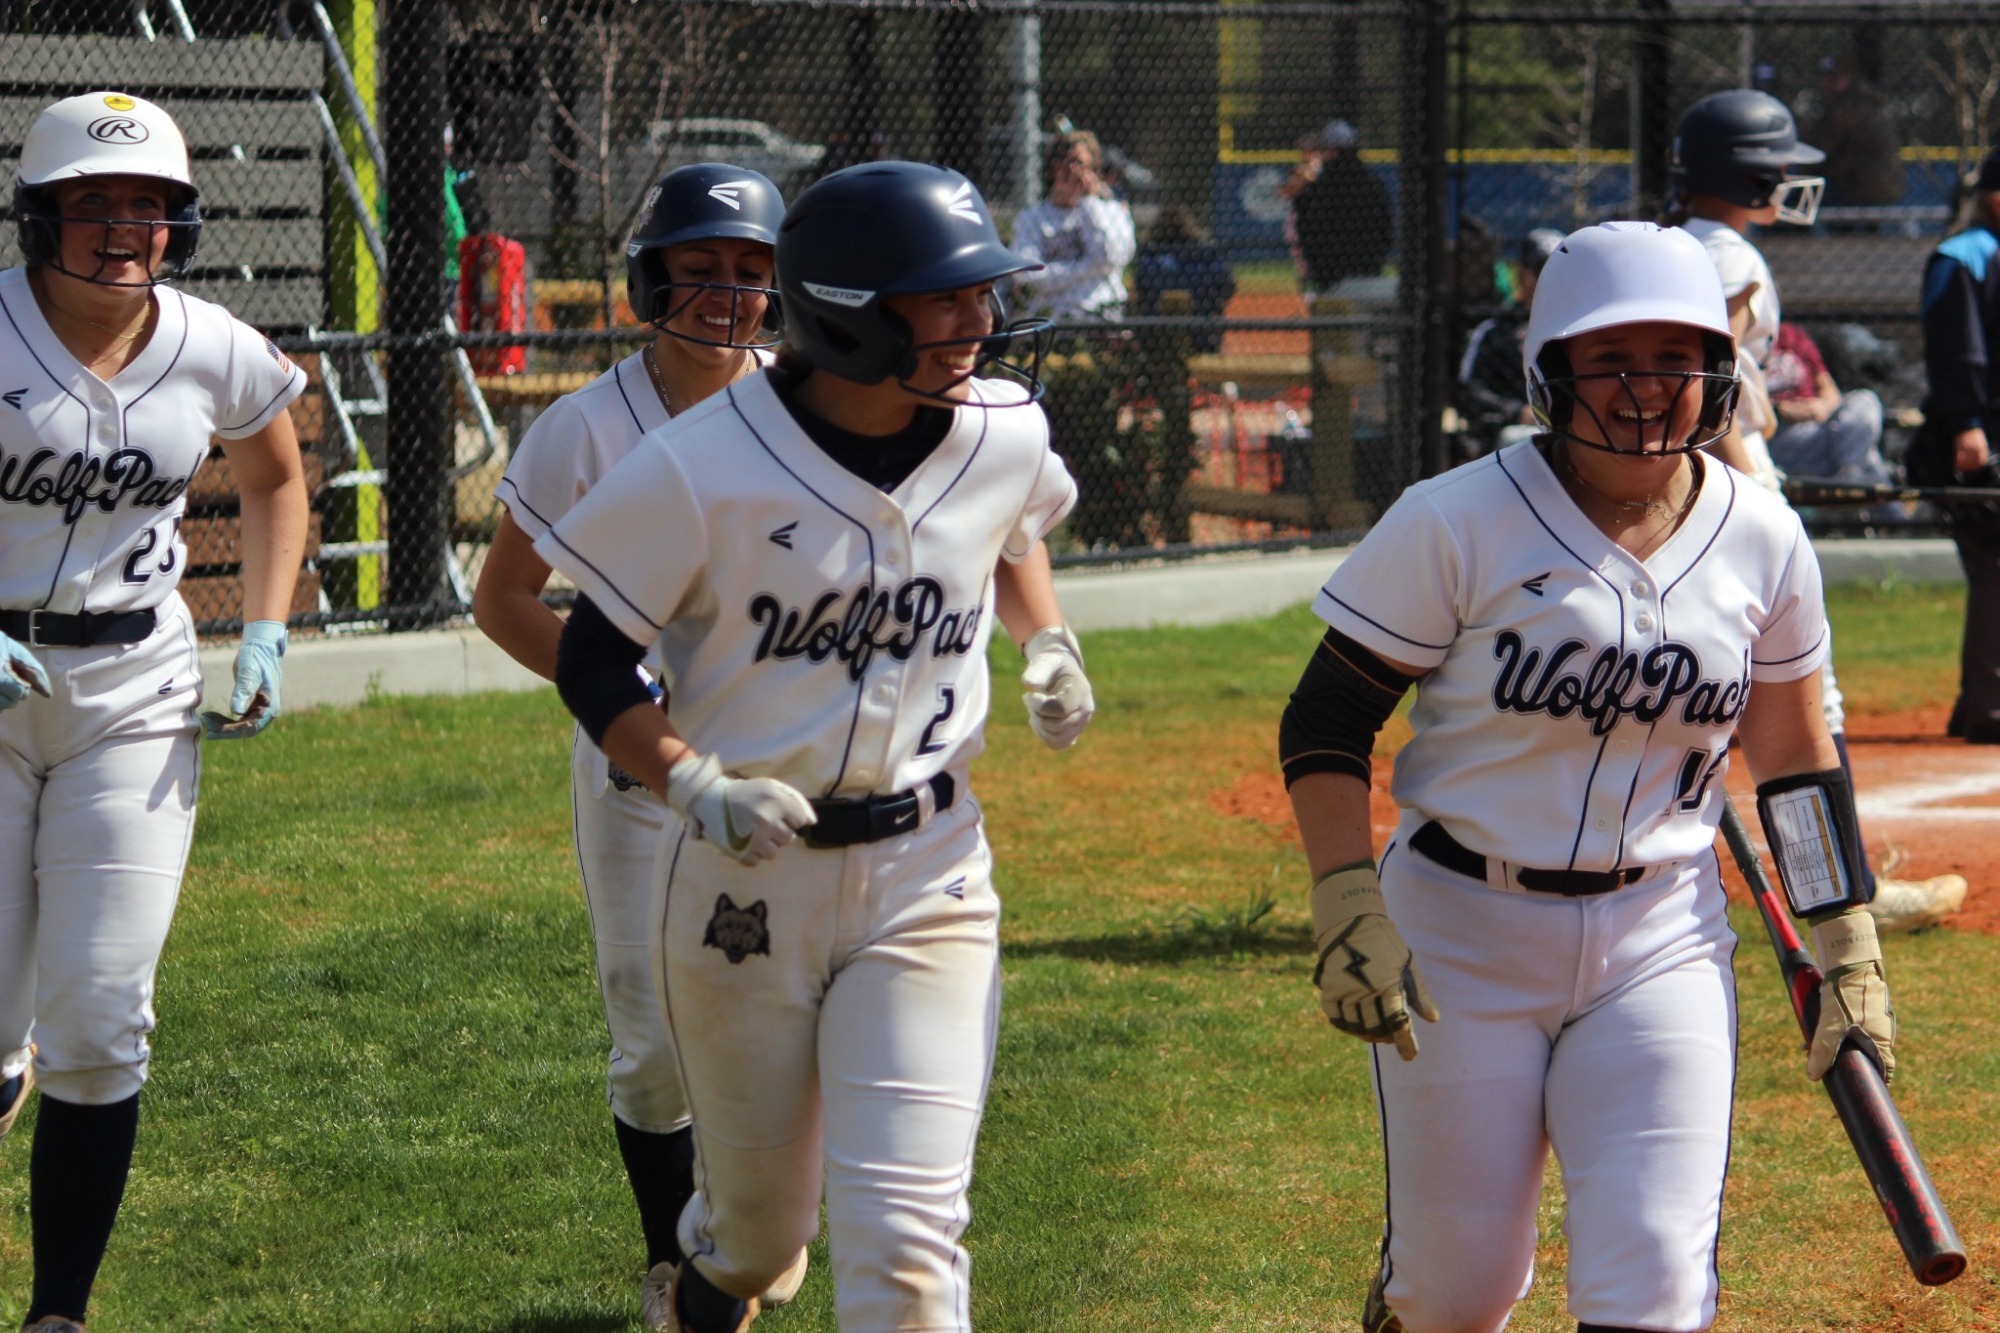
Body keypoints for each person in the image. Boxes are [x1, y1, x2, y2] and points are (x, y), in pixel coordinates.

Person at [1282, 221, 1898, 1333]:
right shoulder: (1455, 519)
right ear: (1550, 370)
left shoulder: (1761, 537)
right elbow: (1326, 720)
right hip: (1460, 934)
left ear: (1715, 373)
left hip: (1659, 935)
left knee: (1653, 1283)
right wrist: (1343, 897)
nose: (1643, 387)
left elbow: (1794, 758)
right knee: (1459, 1291)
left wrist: (1842, 930)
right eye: (1610, 358)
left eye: (1672, 359)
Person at [536, 161, 1090, 1333]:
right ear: (845, 314)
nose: (979, 319)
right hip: (745, 880)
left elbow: (1012, 524)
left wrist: (1049, 643)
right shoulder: (699, 463)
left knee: (908, 1246)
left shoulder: (1000, 428)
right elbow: (590, 658)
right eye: (943, 298)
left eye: (982, 291)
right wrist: (690, 780)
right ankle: (707, 1282)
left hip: (931, 873)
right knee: (758, 1239)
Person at [472, 163, 814, 1331]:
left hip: (781, 766)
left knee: (777, 1007)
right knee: (652, 1035)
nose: (726, 293)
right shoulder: (586, 425)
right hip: (635, 777)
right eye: (699, 268)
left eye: (750, 272)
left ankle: (749, 1223)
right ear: (650, 279)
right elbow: (503, 596)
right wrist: (620, 699)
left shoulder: (807, 405)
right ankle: (674, 1260)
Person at [0, 92, 310, 1332]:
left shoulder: (209, 341)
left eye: (149, 204)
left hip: (136, 690)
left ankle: (58, 1315)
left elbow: (275, 475)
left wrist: (267, 627)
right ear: (39, 217)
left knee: (101, 1017)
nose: (125, 227)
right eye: (94, 203)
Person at [1671, 89, 1966, 934]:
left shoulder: (1674, 241)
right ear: (1751, 176)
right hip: (1729, 489)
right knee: (1807, 708)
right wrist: (1750, 493)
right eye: (1779, 167)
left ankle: (1832, 881)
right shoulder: (1731, 254)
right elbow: (1709, 383)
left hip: (1679, 491)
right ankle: (1844, 893)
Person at [1012, 128, 1139, 549]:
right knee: (1050, 431)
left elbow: (1114, 255)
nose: (1074, 173)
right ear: (1052, 168)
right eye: (1066, 164)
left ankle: (1098, 530)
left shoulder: (1110, 212)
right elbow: (1027, 277)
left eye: (1083, 165)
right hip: (1049, 335)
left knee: (1099, 432)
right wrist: (1087, 270)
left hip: (1099, 332)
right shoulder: (1032, 218)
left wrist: (1090, 202)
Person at [1915, 147, 2000, 748]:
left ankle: (1978, 701)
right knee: (1997, 563)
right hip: (1974, 439)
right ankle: (1989, 707)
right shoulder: (1963, 256)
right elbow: (1955, 351)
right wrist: (1966, 423)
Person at [1456, 227, 1563, 458]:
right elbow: (1470, 390)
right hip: (1513, 432)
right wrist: (1517, 412)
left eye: (1556, 272)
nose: (1548, 279)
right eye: (1540, 270)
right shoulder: (1495, 331)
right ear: (1523, 275)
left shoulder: (1576, 330)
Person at [1763, 322, 1894, 486]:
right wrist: (1780, 411)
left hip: (1823, 428)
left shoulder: (1790, 335)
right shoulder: (1742, 345)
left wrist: (1821, 406)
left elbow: (1827, 385)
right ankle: (1857, 482)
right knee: (1866, 460)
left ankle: (1852, 478)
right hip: (1780, 435)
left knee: (1865, 400)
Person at [1281, 118, 1393, 298]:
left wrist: (1318, 268)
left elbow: (1306, 230)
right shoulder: (1374, 185)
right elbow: (1386, 229)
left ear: (1331, 151)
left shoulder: (1319, 188)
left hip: (1331, 279)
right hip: (1370, 274)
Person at [1133, 203, 1236, 354]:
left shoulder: (1150, 254)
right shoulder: (1205, 254)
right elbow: (1228, 286)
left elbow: (1141, 289)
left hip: (1156, 338)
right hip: (1203, 334)